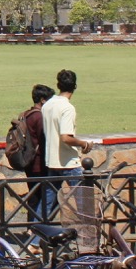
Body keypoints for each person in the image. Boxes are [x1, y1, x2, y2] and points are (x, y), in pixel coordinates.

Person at [41, 69, 93, 219]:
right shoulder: (67, 108)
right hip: (68, 163)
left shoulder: (47, 105)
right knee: (83, 202)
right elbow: (66, 137)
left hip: (52, 161)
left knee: (47, 204)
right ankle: (87, 229)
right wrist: (83, 144)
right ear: (75, 86)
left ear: (58, 85)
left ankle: (35, 231)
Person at [24, 83, 55, 221]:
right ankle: (36, 226)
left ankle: (31, 225)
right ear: (43, 100)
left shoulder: (27, 114)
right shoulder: (39, 117)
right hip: (39, 163)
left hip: (29, 161)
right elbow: (44, 140)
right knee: (42, 196)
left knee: (34, 195)